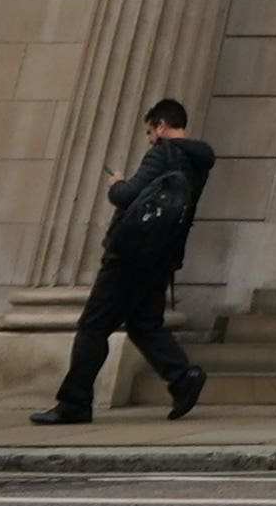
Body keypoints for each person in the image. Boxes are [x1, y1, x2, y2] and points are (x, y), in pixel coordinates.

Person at [31, 98, 209, 426]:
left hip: (130, 256)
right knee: (144, 324)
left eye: (149, 131)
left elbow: (127, 197)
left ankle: (74, 403)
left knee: (93, 326)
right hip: (162, 257)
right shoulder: (198, 161)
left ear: (161, 126)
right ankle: (183, 377)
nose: (148, 138)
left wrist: (117, 185)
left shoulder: (164, 153)